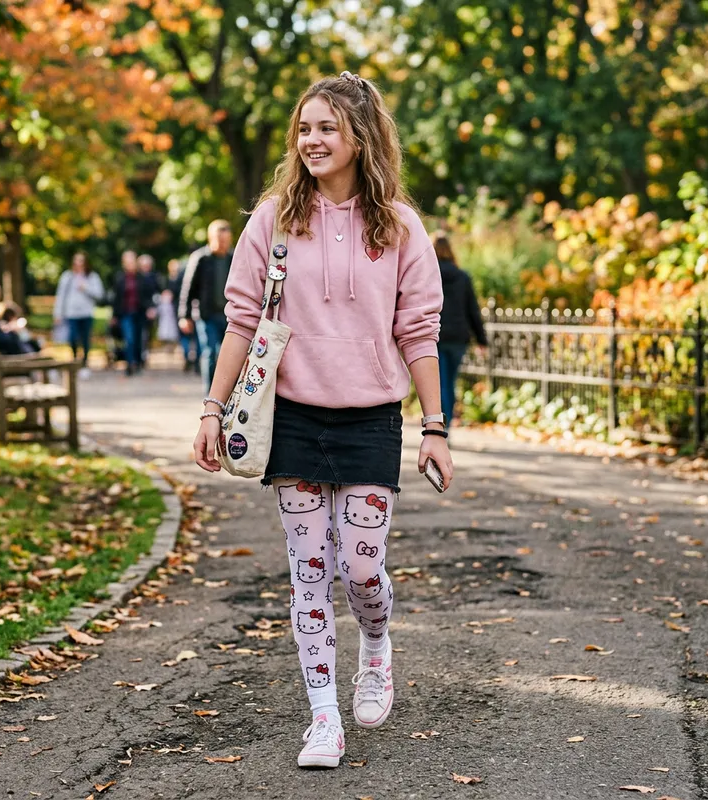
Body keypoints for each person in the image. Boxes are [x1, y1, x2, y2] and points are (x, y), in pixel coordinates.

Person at [191, 71, 453, 769]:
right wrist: (213, 410)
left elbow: (420, 329)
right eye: (304, 128)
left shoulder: (398, 225)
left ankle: (375, 645)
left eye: (327, 127)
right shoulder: (273, 218)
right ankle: (324, 720)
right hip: (295, 419)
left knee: (362, 569)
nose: (312, 139)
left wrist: (435, 426)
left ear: (361, 136)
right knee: (309, 571)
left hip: (370, 419)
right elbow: (241, 321)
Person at [432, 232, 487, 428]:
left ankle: (440, 423)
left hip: (435, 336)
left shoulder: (429, 274)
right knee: (450, 382)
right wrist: (482, 340)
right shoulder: (462, 277)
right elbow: (472, 309)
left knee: (439, 382)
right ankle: (445, 423)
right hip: (457, 338)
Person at [178, 219, 234, 388]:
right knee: (209, 353)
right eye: (219, 239)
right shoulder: (200, 259)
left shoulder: (234, 258)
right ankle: (210, 395)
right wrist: (184, 316)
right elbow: (188, 289)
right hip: (207, 315)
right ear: (211, 238)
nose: (222, 243)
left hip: (230, 316)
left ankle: (229, 395)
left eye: (225, 240)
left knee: (231, 355)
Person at [53, 252, 105, 379]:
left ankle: (85, 363)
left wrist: (86, 288)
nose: (79, 264)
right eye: (76, 261)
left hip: (86, 313)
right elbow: (61, 296)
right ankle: (75, 360)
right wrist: (58, 313)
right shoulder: (68, 277)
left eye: (81, 261)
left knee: (85, 339)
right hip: (71, 313)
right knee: (72, 337)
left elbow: (99, 294)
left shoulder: (92, 277)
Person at [111, 250, 154, 376]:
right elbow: (116, 298)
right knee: (129, 339)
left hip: (139, 312)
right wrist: (114, 315)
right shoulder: (120, 278)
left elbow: (148, 295)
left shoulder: (142, 278)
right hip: (125, 313)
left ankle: (138, 362)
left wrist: (150, 308)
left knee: (139, 339)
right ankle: (130, 364)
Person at [166, 258, 200, 372]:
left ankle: (188, 357)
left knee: (184, 336)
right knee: (195, 337)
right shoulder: (193, 271)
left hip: (181, 309)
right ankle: (195, 360)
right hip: (194, 309)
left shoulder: (178, 276)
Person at [138, 254, 160, 367]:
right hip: (139, 310)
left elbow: (157, 292)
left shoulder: (154, 277)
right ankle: (140, 356)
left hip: (150, 310)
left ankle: (145, 354)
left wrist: (153, 307)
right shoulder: (137, 277)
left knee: (147, 334)